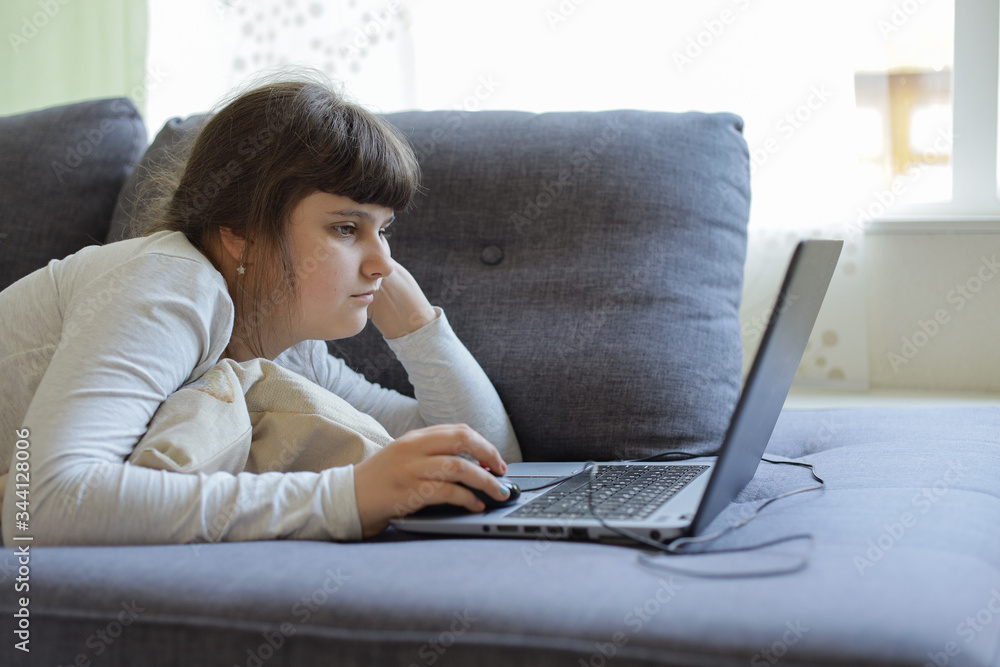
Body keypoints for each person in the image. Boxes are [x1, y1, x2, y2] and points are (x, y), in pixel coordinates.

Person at [0, 74, 522, 546]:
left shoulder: (292, 349)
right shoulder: (170, 284)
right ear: (241, 234)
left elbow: (488, 462)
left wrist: (417, 329)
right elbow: (47, 504)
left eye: (383, 230)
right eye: (346, 228)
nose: (383, 262)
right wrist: (344, 498)